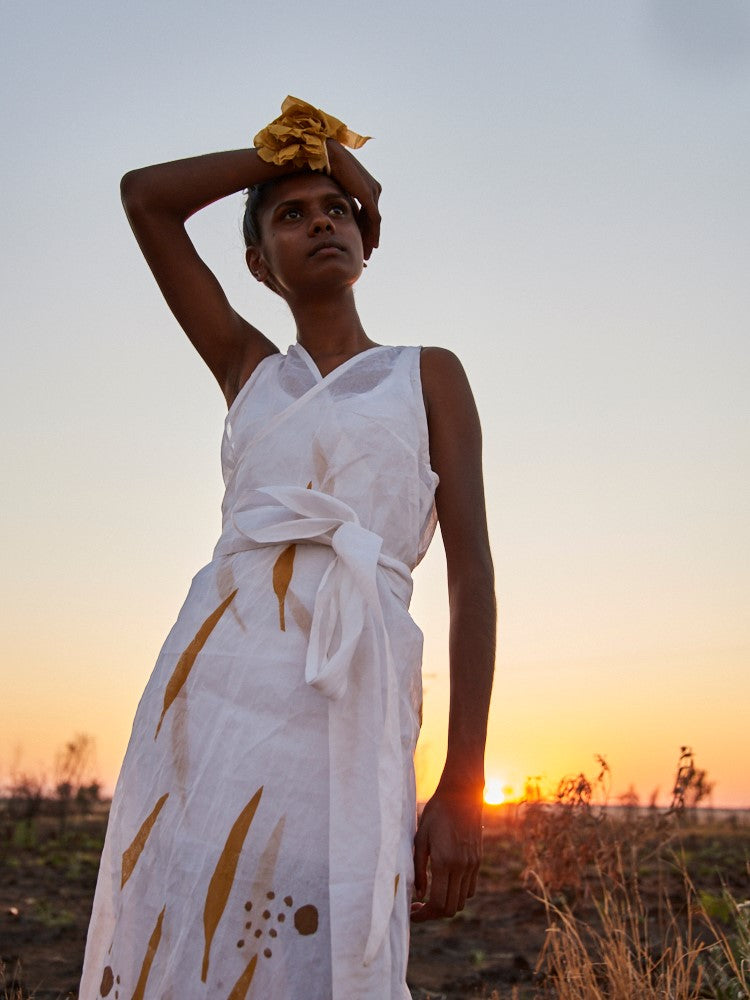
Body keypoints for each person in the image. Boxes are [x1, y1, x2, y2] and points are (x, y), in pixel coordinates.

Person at [79, 98, 495, 1000]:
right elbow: (144, 197)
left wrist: (465, 784)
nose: (323, 223)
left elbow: (474, 578)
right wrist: (305, 153)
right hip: (220, 693)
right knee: (194, 919)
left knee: (334, 932)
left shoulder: (429, 374)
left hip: (357, 693)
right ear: (258, 265)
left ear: (366, 238)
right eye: (293, 213)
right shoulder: (249, 369)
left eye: (337, 208)